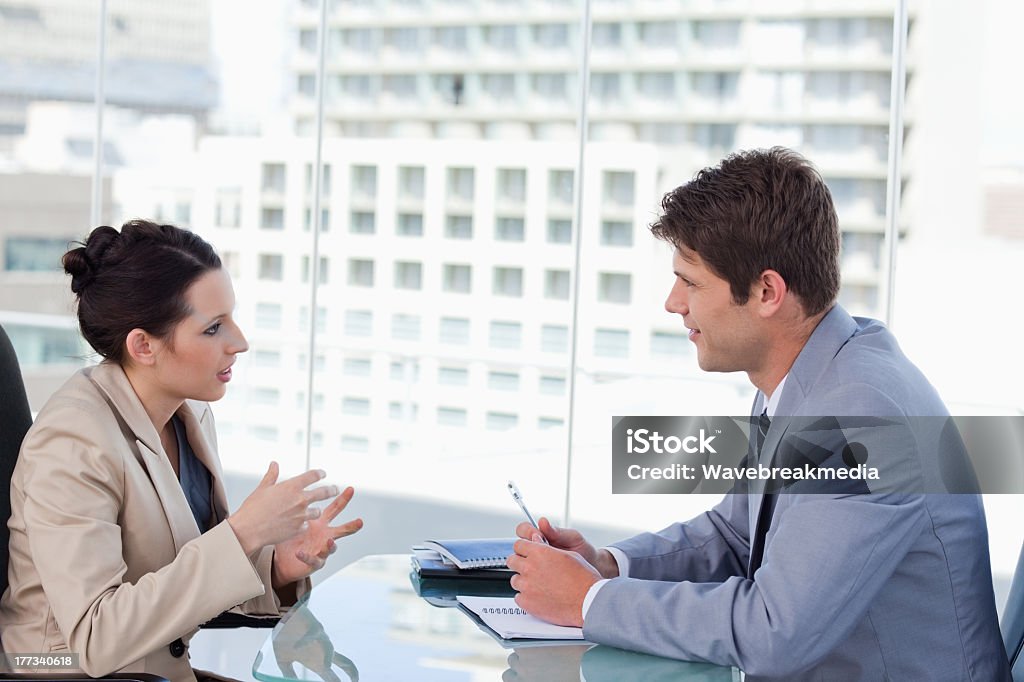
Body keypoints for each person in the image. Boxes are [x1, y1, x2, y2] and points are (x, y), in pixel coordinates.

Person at [507, 148, 1011, 680]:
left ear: (768, 292)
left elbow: (774, 631)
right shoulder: (808, 375)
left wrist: (590, 601)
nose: (673, 302)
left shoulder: (860, 415)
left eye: (692, 282)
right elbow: (737, 535)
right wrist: (608, 566)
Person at [0, 220, 363, 681]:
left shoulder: (185, 415)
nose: (240, 342)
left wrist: (276, 567)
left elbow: (182, 572)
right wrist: (244, 533)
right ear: (143, 346)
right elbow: (95, 638)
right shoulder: (72, 443)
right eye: (213, 328)